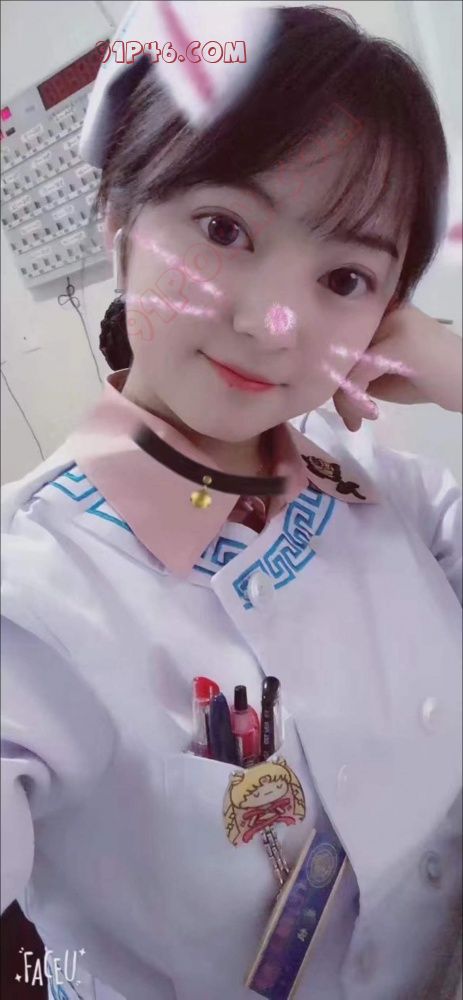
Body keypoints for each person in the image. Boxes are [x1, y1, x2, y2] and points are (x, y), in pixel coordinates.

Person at [1, 5, 462, 1000]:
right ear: (120, 221)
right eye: (223, 229)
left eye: (345, 276)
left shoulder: (385, 485)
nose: (272, 323)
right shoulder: (31, 597)